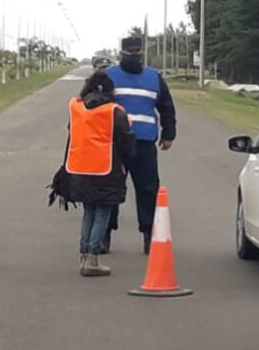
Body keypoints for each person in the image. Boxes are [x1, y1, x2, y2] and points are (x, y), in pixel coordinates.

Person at [105, 36, 177, 254]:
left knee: (148, 190)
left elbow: (166, 107)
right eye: (130, 52)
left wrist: (169, 134)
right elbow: (94, 105)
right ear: (122, 53)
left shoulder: (154, 78)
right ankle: (103, 234)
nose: (135, 56)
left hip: (144, 143)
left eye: (138, 52)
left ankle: (149, 235)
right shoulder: (109, 76)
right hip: (114, 144)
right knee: (110, 190)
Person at [64, 71, 135, 276]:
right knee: (103, 211)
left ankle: (84, 253)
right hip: (106, 167)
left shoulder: (76, 108)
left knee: (89, 211)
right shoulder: (115, 111)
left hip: (79, 167)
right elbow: (126, 142)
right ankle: (92, 259)